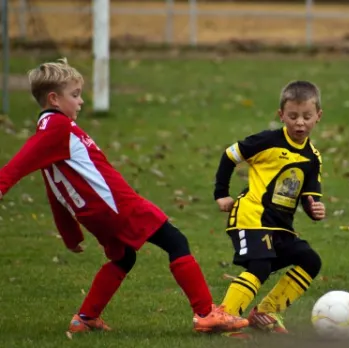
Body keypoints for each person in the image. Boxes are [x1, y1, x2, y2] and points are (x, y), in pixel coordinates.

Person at [0, 58, 248, 335]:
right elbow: (20, 163)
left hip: (100, 213)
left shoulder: (51, 132)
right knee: (176, 241)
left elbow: (54, 188)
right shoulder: (57, 128)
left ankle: (85, 317)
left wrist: (70, 235)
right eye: (75, 95)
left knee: (124, 258)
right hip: (116, 206)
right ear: (54, 99)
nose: (81, 102)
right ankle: (205, 313)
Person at [213, 80, 327, 337]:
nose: (300, 123)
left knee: (310, 260)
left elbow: (309, 198)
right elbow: (230, 156)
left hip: (280, 226)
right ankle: (224, 318)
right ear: (281, 115)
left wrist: (315, 210)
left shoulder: (313, 157)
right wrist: (221, 194)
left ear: (318, 117)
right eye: (293, 116)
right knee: (260, 265)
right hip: (250, 216)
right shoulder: (267, 141)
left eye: (307, 116)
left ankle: (267, 311)